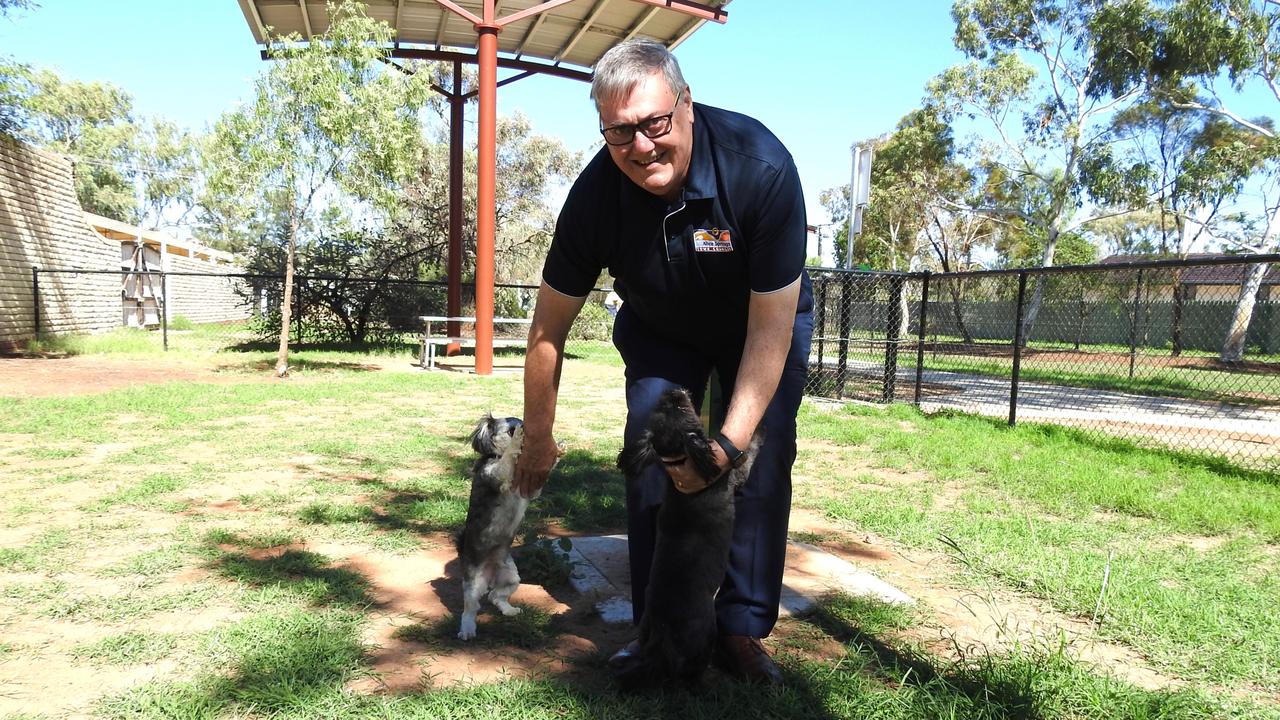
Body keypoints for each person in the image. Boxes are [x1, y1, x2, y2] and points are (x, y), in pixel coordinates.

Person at [512, 38, 813, 686]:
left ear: (686, 106)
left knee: (761, 460)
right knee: (651, 453)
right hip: (661, 326)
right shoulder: (595, 196)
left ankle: (739, 629)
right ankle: (660, 633)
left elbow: (769, 334)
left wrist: (727, 448)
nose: (641, 146)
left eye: (655, 123)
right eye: (620, 132)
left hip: (759, 324)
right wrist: (537, 437)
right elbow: (548, 328)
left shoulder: (759, 168)